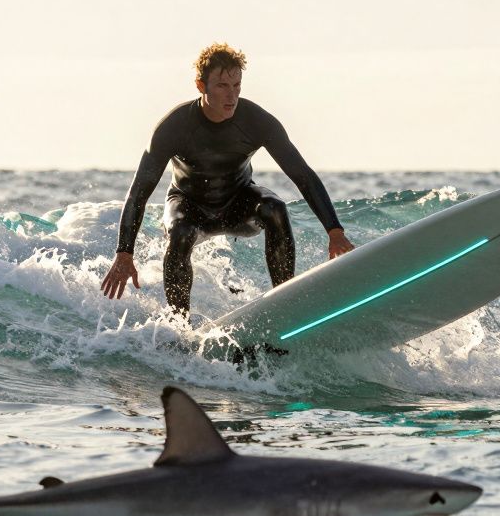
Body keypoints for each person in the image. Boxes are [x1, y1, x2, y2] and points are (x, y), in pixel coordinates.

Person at [101, 43, 354, 314]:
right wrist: (124, 252)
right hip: (189, 205)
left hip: (238, 202)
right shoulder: (174, 127)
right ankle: (178, 325)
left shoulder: (256, 121)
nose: (231, 95)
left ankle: (283, 305)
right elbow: (138, 192)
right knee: (181, 232)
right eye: (222, 86)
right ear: (201, 85)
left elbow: (302, 175)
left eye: (236, 86)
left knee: (274, 208)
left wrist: (334, 231)